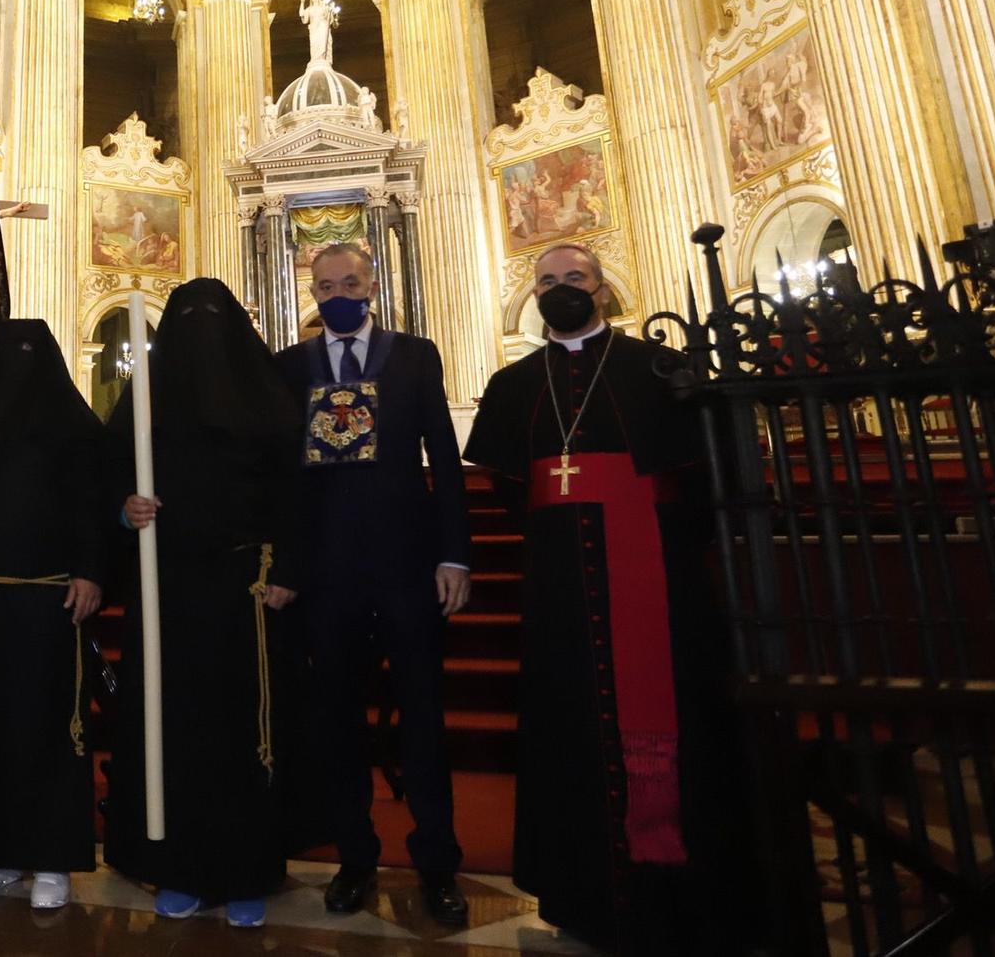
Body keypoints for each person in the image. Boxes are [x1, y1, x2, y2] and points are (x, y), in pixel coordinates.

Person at [464, 243, 756, 953]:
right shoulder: (512, 384)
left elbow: (702, 472)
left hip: (656, 577)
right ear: (532, 294)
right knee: (571, 730)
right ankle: (582, 891)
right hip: (558, 587)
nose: (561, 289)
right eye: (547, 281)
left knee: (678, 715)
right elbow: (507, 490)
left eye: (576, 278)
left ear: (602, 290)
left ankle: (684, 892)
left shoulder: (652, 370)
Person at [273, 244, 471, 925]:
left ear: (373, 284)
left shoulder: (414, 354)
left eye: (349, 282)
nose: (337, 293)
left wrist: (455, 555)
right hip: (328, 576)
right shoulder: (290, 368)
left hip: (409, 566)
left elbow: (443, 457)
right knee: (336, 722)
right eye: (325, 285)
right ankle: (354, 856)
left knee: (423, 717)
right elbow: (281, 480)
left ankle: (438, 862)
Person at [105, 277, 306, 929]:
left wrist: (290, 569)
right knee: (176, 728)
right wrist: (126, 508)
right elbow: (109, 477)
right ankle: (180, 867)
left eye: (210, 316)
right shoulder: (145, 398)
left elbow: (297, 490)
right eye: (185, 317)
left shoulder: (268, 394)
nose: (199, 329)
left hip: (248, 590)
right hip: (167, 590)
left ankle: (250, 869)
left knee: (244, 732)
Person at [0, 321, 107, 910]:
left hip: (50, 598)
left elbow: (93, 506)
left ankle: (53, 859)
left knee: (49, 725)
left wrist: (90, 570)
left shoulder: (78, 430)